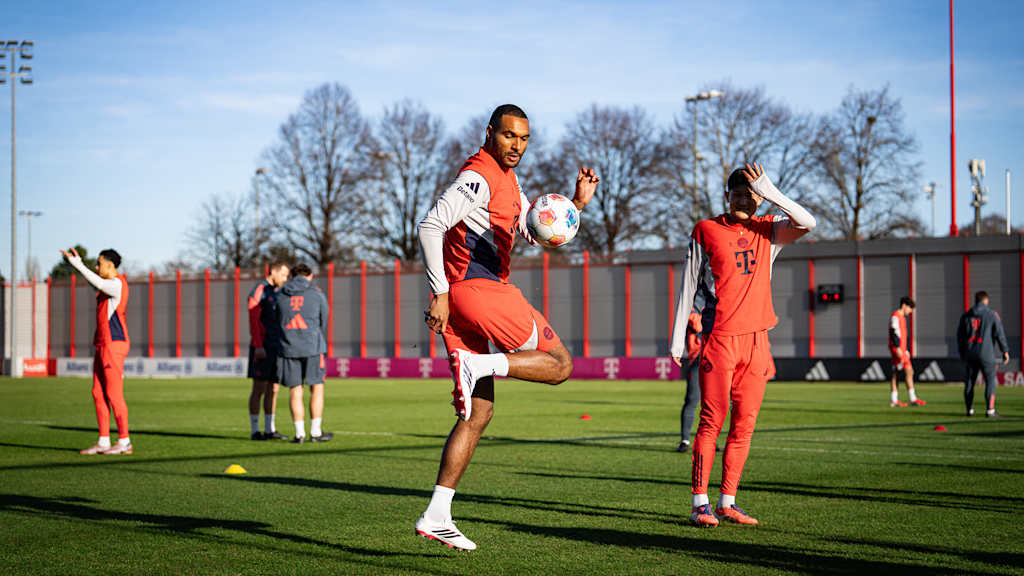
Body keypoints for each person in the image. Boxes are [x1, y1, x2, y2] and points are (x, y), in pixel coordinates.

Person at [414, 104, 599, 551]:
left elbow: (527, 231)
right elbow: (430, 224)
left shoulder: (509, 181)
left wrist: (573, 206)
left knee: (477, 415)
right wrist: (438, 292)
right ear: (490, 133)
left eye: (524, 138)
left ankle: (437, 512)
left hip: (463, 302)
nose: (516, 145)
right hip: (478, 292)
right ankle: (480, 366)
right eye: (509, 136)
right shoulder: (478, 176)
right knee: (560, 365)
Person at [670, 162, 816, 528]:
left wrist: (770, 191)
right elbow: (688, 284)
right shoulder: (706, 229)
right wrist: (676, 339)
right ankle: (699, 504)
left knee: (744, 426)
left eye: (751, 196)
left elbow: (808, 222)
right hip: (720, 339)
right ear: (726, 195)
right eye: (738, 194)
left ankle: (728, 502)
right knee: (711, 422)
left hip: (758, 342)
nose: (745, 201)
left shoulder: (768, 229)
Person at [60, 247, 134, 455]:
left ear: (110, 265)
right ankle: (103, 441)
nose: (97, 266)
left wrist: (77, 264)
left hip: (114, 345)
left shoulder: (117, 284)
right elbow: (98, 283)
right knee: (98, 393)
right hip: (102, 344)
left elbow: (99, 282)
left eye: (99, 263)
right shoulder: (106, 288)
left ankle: (124, 442)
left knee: (113, 393)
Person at [272, 263, 333, 444]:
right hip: (313, 347)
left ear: (291, 276)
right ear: (310, 275)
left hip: (288, 347)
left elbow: (276, 321)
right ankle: (315, 432)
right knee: (317, 387)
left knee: (295, 389)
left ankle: (299, 434)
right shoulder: (316, 293)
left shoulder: (280, 294)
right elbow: (324, 320)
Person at [247, 260, 290, 441]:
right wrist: (258, 345)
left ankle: (270, 429)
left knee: (274, 388)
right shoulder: (260, 290)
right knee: (259, 388)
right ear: (273, 272)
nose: (285, 279)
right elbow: (253, 318)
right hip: (262, 347)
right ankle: (255, 430)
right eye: (283, 275)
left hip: (276, 347)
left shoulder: (277, 292)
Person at [957, 291, 1010, 418]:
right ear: (986, 301)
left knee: (969, 382)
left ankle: (970, 410)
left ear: (975, 301)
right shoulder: (991, 315)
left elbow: (960, 336)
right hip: (986, 353)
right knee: (990, 382)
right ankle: (990, 410)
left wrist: (962, 352)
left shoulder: (966, 315)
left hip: (970, 353)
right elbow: (999, 333)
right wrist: (1005, 351)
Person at [676, 306, 704, 453]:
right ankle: (685, 440)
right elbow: (697, 324)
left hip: (715, 359)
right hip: (698, 359)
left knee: (711, 404)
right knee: (692, 400)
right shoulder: (693, 304)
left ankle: (708, 439)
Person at [888, 296, 925, 407]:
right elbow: (893, 332)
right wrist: (898, 348)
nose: (910, 311)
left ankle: (894, 399)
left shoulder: (902, 318)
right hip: (897, 349)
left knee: (897, 373)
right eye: (910, 308)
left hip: (901, 349)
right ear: (904, 305)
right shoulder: (896, 316)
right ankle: (912, 398)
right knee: (909, 371)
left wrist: (905, 350)